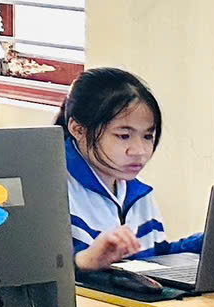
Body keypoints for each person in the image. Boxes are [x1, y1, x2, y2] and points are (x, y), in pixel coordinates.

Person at [60, 66, 190, 271]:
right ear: (78, 130)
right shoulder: (53, 190)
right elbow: (39, 271)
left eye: (147, 136)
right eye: (123, 136)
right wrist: (85, 261)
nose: (139, 151)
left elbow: (156, 258)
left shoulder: (137, 191)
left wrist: (209, 242)